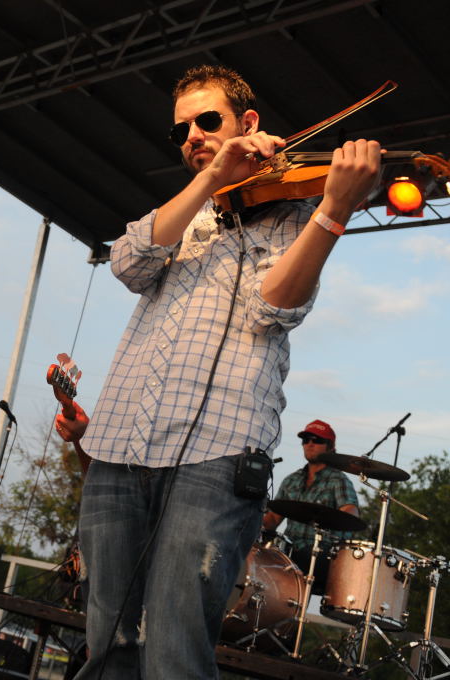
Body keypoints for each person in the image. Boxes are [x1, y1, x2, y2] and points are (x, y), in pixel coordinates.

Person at [54, 64, 381, 679]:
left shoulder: (293, 210)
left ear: (247, 123)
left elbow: (271, 308)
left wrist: (335, 208)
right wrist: (211, 178)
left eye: (208, 121)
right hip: (121, 444)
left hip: (219, 452)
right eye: (181, 130)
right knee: (107, 643)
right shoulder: (185, 212)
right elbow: (127, 263)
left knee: (176, 649)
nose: (193, 136)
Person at [262, 419, 359, 592]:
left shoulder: (338, 480)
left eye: (317, 440)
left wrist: (329, 520)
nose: (310, 444)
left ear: (330, 446)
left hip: (321, 553)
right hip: (289, 550)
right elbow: (273, 519)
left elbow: (350, 514)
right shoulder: (291, 480)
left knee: (302, 558)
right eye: (305, 440)